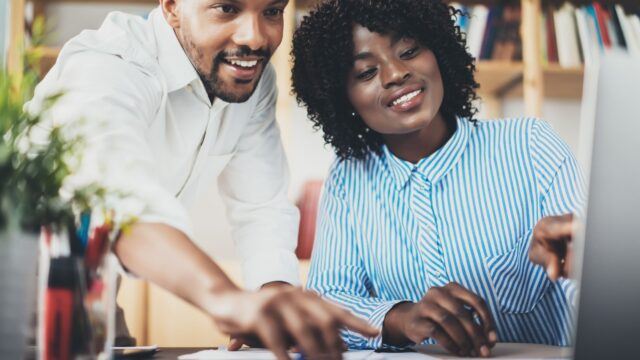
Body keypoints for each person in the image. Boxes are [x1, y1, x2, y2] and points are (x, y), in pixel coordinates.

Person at [26, 0, 377, 359]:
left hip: (92, 298)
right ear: (172, 6)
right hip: (19, 297)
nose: (254, 38)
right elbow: (113, 199)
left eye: (272, 11)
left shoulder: (252, 80)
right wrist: (228, 300)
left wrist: (272, 292)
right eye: (226, 9)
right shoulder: (107, 66)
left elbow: (261, 205)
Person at [291, 0, 584, 357]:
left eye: (410, 50)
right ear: (343, 98)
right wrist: (399, 319)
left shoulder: (530, 145)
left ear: (438, 50)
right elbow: (327, 302)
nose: (395, 73)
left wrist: (583, 261)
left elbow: (602, 297)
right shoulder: (349, 177)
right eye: (366, 73)